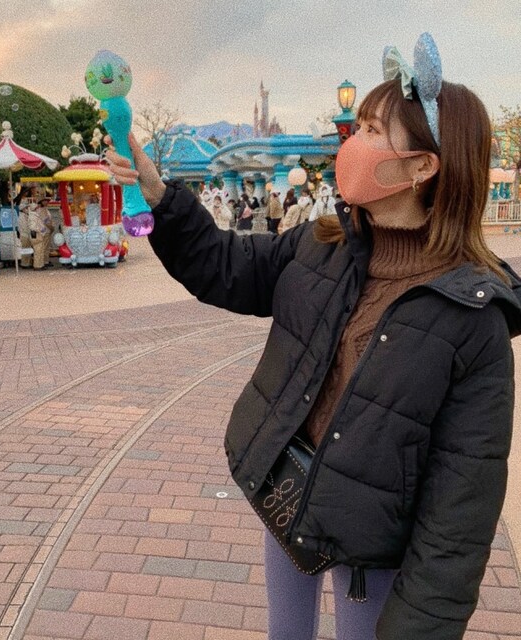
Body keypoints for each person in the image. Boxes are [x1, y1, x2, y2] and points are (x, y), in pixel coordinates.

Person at [104, 32, 521, 640]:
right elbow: (224, 266)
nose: (352, 143)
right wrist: (161, 196)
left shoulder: (472, 316)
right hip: (287, 494)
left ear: (423, 166)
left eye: (373, 130)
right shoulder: (323, 244)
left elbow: (463, 502)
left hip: (372, 548)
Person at [28, 197, 54, 270]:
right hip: (42, 232)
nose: (46, 202)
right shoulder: (38, 213)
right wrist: (46, 229)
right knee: (40, 249)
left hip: (44, 232)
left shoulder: (41, 211)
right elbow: (44, 222)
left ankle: (41, 263)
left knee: (41, 249)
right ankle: (40, 264)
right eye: (44, 201)